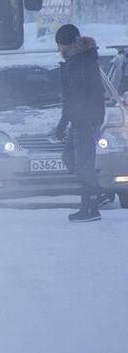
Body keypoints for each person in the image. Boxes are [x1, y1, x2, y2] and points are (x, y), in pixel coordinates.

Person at [54, 24, 106, 223]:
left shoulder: (78, 64)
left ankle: (90, 207)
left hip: (85, 120)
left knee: (83, 164)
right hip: (85, 118)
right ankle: (94, 194)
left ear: (70, 44)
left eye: (61, 46)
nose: (60, 51)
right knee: (71, 157)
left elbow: (73, 98)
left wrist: (62, 122)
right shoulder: (83, 59)